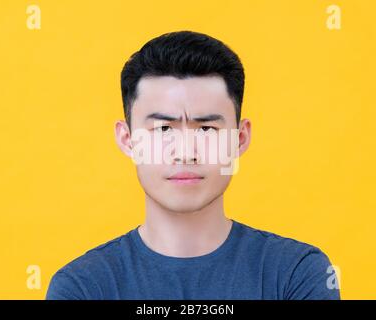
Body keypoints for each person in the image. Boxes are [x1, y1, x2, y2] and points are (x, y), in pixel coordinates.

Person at [46, 30, 340, 300]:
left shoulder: (295, 275)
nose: (186, 153)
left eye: (207, 129)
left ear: (240, 139)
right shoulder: (82, 288)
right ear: (127, 139)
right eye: (163, 130)